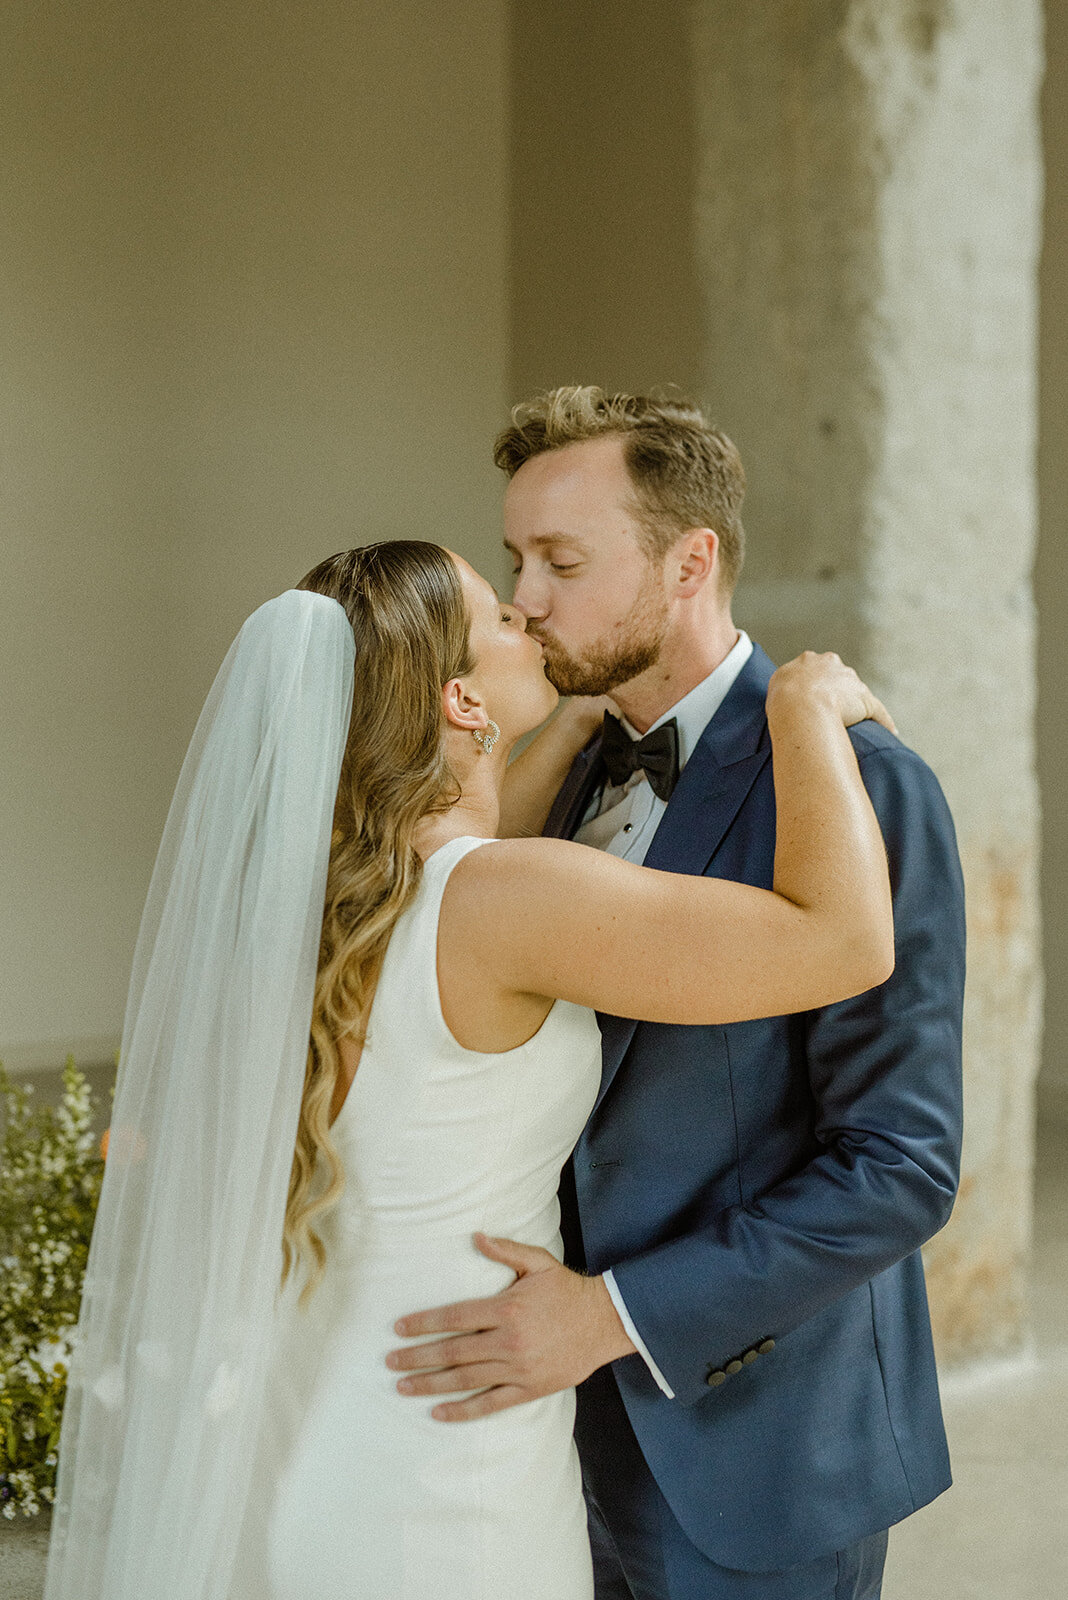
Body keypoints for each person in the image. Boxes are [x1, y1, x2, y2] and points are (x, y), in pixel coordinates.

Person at [44, 539, 894, 1600]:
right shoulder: (505, 902)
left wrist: (575, 714)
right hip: (447, 1463)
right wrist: (806, 707)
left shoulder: (307, 909)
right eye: (502, 614)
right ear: (459, 696)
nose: (530, 618)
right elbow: (843, 946)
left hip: (302, 1427)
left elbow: (470, 829)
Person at [388, 390, 966, 1600]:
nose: (525, 599)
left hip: (760, 1443)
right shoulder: (549, 775)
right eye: (516, 561)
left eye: (562, 561)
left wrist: (617, 1315)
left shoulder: (864, 786)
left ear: (689, 560)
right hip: (533, 1430)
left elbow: (900, 1163)